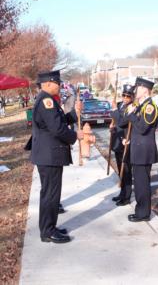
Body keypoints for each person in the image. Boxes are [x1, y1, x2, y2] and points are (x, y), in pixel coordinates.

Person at [31, 70, 83, 244]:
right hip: (49, 155)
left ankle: (49, 227)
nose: (59, 86)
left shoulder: (48, 100)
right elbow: (58, 129)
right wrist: (76, 136)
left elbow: (58, 121)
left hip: (48, 155)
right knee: (51, 195)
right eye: (57, 83)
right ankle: (47, 231)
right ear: (47, 84)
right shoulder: (46, 101)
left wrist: (74, 114)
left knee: (50, 194)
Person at [125, 77, 158, 222]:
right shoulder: (141, 105)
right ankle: (140, 211)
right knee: (139, 183)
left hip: (144, 152)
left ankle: (143, 213)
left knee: (142, 184)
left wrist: (132, 115)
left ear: (145, 89)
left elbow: (143, 128)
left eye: (137, 88)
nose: (134, 90)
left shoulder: (149, 106)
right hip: (138, 150)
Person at [110, 84, 135, 206]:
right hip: (117, 143)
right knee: (120, 170)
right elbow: (115, 121)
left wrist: (114, 110)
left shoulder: (132, 108)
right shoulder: (120, 105)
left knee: (126, 171)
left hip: (126, 143)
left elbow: (122, 121)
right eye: (124, 95)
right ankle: (122, 193)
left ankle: (126, 197)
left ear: (132, 97)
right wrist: (112, 127)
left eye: (128, 96)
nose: (125, 98)